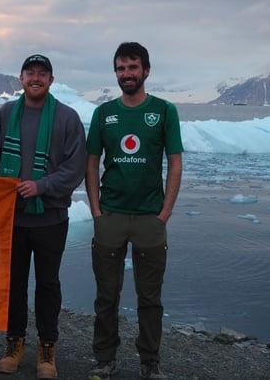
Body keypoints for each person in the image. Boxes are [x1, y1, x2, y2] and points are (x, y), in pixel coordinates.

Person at [85, 42, 183, 380]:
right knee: (106, 296)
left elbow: (174, 161)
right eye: (121, 68)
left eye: (132, 67)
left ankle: (149, 361)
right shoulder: (103, 113)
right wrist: (96, 211)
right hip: (110, 216)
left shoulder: (164, 111)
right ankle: (104, 358)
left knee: (150, 298)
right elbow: (92, 161)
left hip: (149, 219)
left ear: (146, 71)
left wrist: (165, 213)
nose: (126, 74)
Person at [0, 54, 87, 379]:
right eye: (30, 73)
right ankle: (14, 344)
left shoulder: (67, 117)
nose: (36, 78)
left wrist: (42, 185)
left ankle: (47, 349)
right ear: (21, 78)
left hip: (50, 217)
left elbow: (75, 168)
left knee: (48, 284)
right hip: (14, 217)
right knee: (15, 284)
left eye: (42, 73)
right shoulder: (5, 113)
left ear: (51, 79)